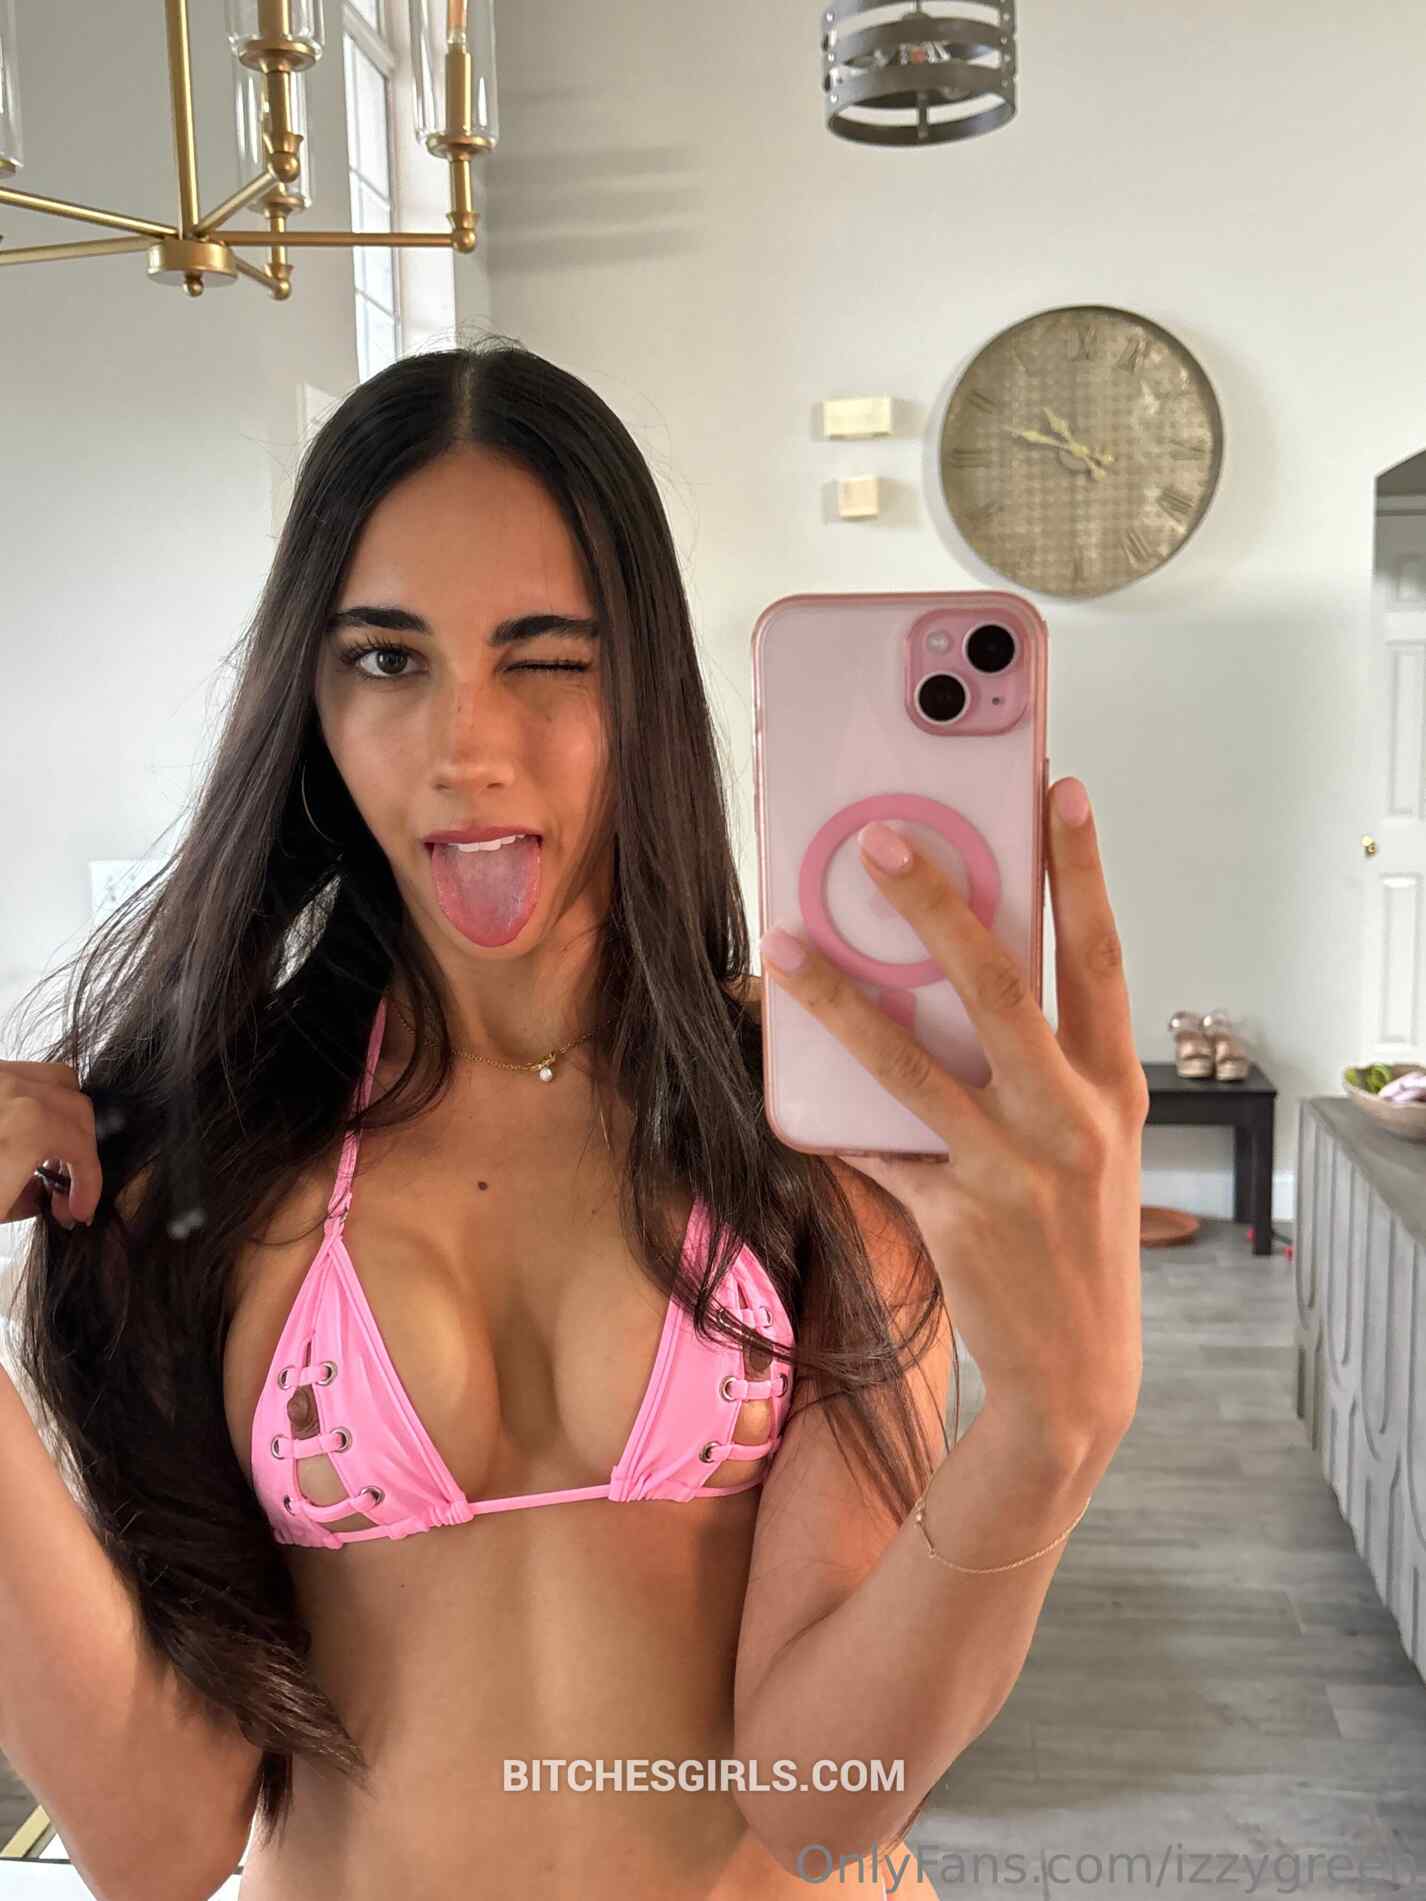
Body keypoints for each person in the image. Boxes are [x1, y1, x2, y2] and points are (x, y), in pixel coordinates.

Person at [0, 336, 1112, 1901]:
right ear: (308, 697)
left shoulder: (806, 1128)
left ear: (644, 687)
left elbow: (819, 1793)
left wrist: (1055, 1427)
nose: (467, 747)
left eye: (548, 659)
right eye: (388, 660)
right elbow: (161, 1839)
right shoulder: (192, 1158)